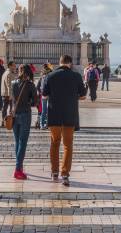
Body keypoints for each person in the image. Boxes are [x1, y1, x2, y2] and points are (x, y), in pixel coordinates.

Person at [43, 55, 87, 186]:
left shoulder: (50, 76)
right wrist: (73, 98)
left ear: (60, 62)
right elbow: (83, 96)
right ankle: (65, 174)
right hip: (69, 115)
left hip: (54, 116)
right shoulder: (76, 76)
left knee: (54, 143)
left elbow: (44, 96)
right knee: (68, 145)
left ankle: (54, 172)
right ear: (70, 63)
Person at [9, 64, 38, 180]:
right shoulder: (30, 85)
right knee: (23, 142)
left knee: (17, 142)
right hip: (25, 114)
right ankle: (17, 169)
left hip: (15, 115)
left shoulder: (13, 83)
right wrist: (29, 102)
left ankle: (19, 167)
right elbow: (35, 102)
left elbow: (12, 99)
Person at [36, 63, 53, 129]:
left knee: (43, 110)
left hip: (43, 95)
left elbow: (38, 86)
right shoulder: (51, 74)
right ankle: (47, 124)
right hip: (49, 95)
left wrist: (40, 93)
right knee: (49, 110)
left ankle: (42, 124)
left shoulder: (42, 76)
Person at [1, 61, 18, 126]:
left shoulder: (6, 72)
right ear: (10, 66)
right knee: (10, 108)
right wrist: (10, 95)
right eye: (14, 65)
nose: (15, 66)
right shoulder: (9, 74)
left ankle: (3, 120)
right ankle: (8, 122)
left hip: (5, 93)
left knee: (5, 107)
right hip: (8, 94)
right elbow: (9, 86)